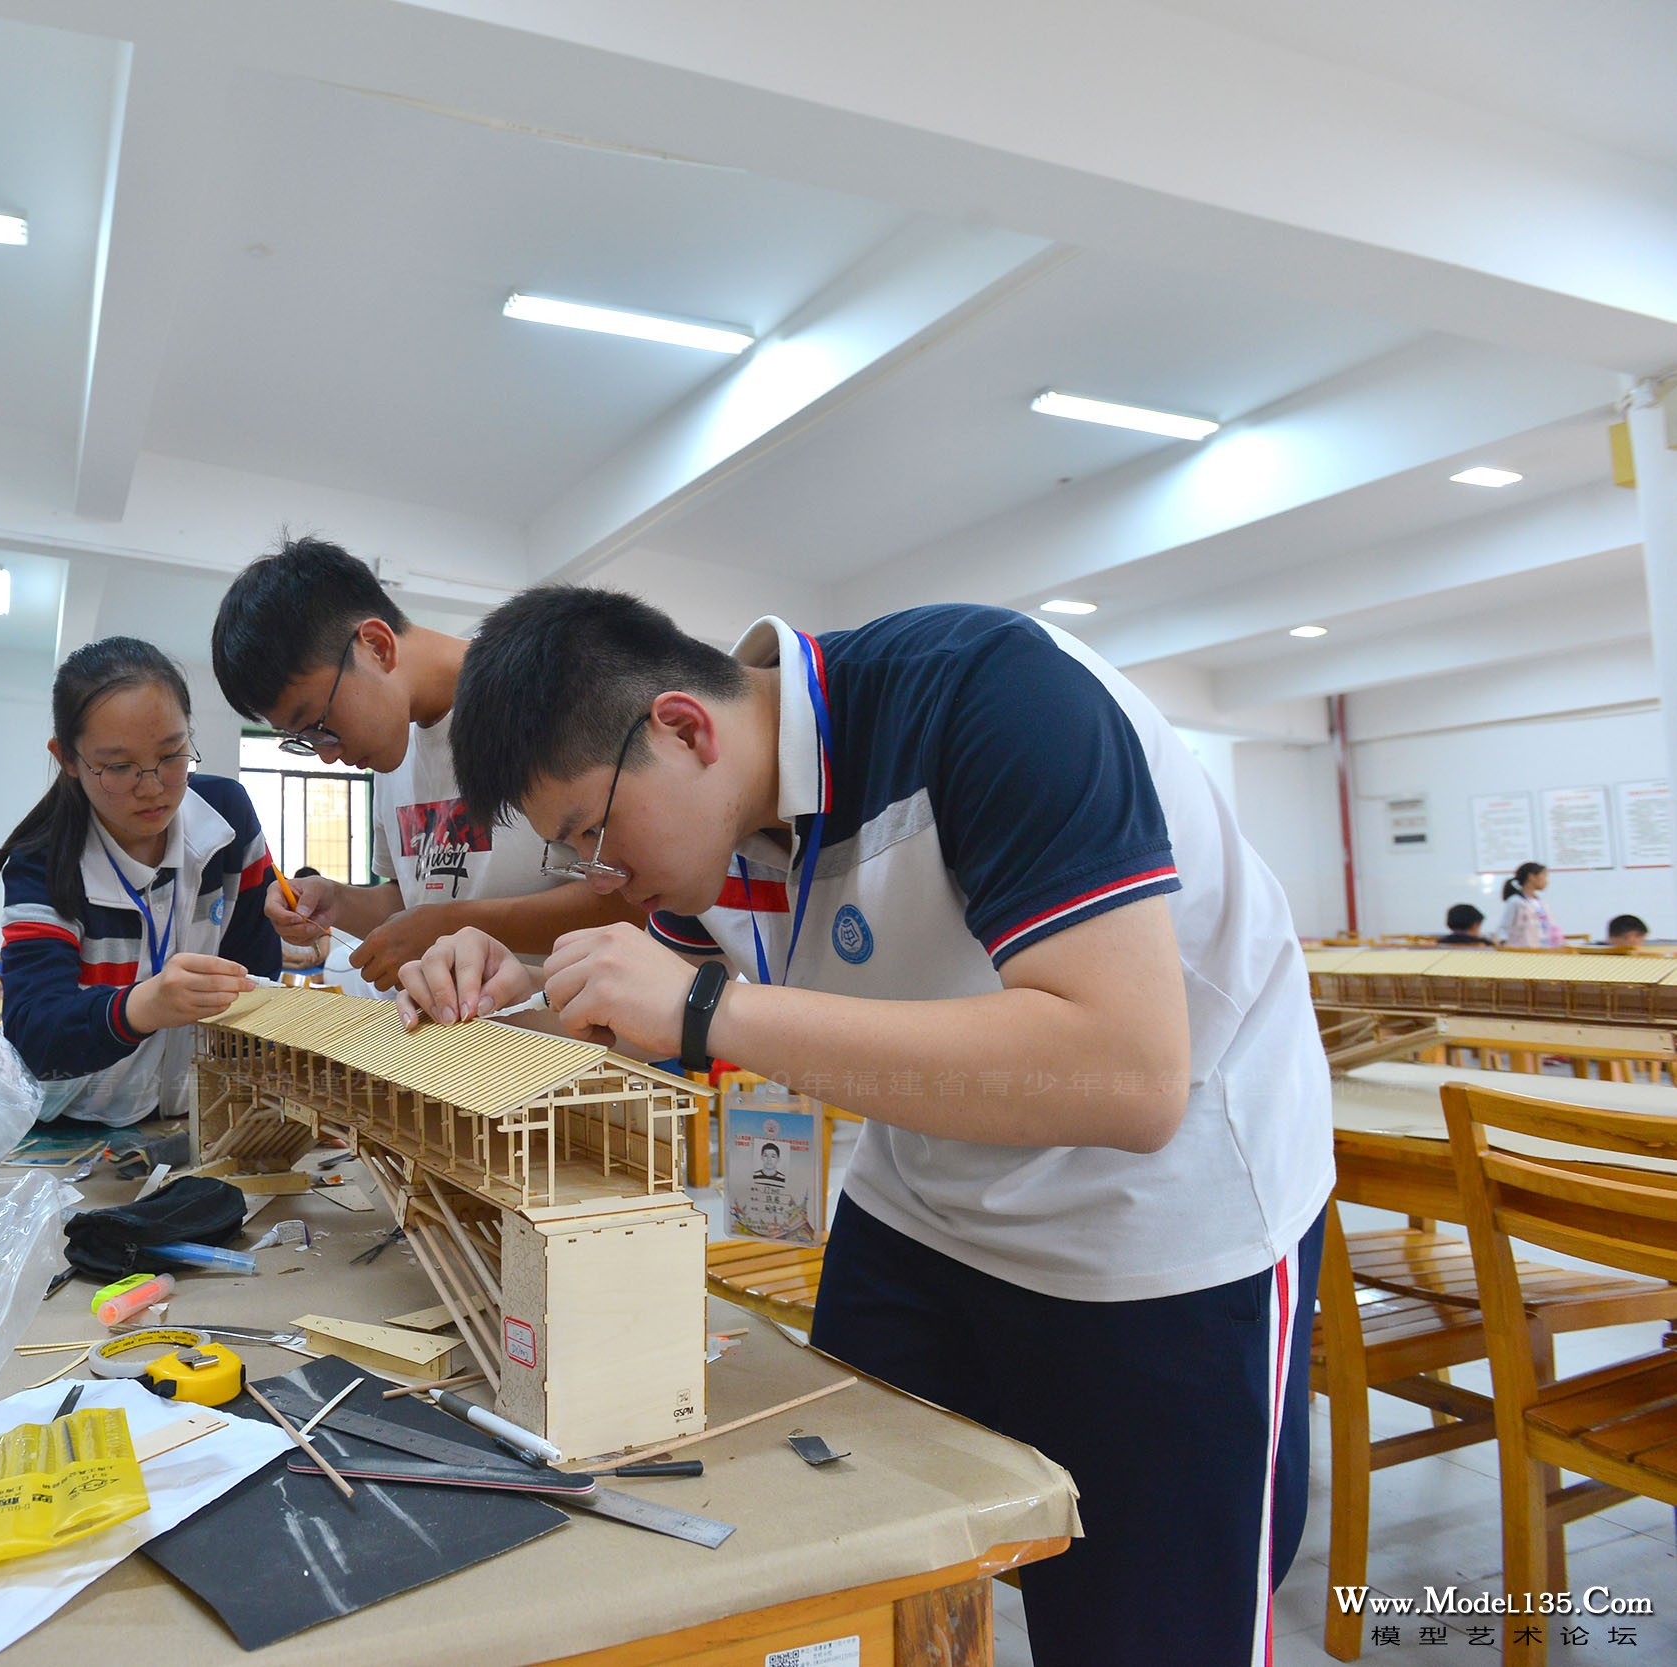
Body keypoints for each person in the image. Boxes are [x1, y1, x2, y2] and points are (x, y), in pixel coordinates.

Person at [397, 588, 1332, 1666]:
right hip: (924, 1192)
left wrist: (710, 1010)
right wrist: (506, 990)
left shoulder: (990, 692)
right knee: (839, 1563)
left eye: (590, 834)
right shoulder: (713, 827)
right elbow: (651, 1009)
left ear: (683, 726)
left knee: (1144, 1632)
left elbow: (1128, 1075)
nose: (596, 876)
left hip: (1154, 1227)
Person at [210, 538, 636, 988]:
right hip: (445, 1046)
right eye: (305, 740)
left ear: (376, 646)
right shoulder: (388, 746)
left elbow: (632, 900)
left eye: (318, 723)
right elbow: (411, 899)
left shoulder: (543, 699)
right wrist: (336, 901)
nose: (328, 754)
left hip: (567, 1042)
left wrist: (447, 924)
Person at [0, 638, 281, 1126]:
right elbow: (35, 1034)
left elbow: (259, 973)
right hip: (75, 1124)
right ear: (67, 759)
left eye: (172, 754)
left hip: (195, 1114)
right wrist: (141, 1007)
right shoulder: (45, 862)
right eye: (118, 767)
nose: (153, 786)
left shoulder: (226, 819)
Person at [1497, 861, 1561, 948]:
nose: (1546, 881)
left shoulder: (1541, 903)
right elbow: (1504, 928)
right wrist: (1504, 943)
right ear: (1531, 877)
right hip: (1523, 950)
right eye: (1544, 876)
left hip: (1543, 949)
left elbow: (1550, 926)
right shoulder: (1515, 902)